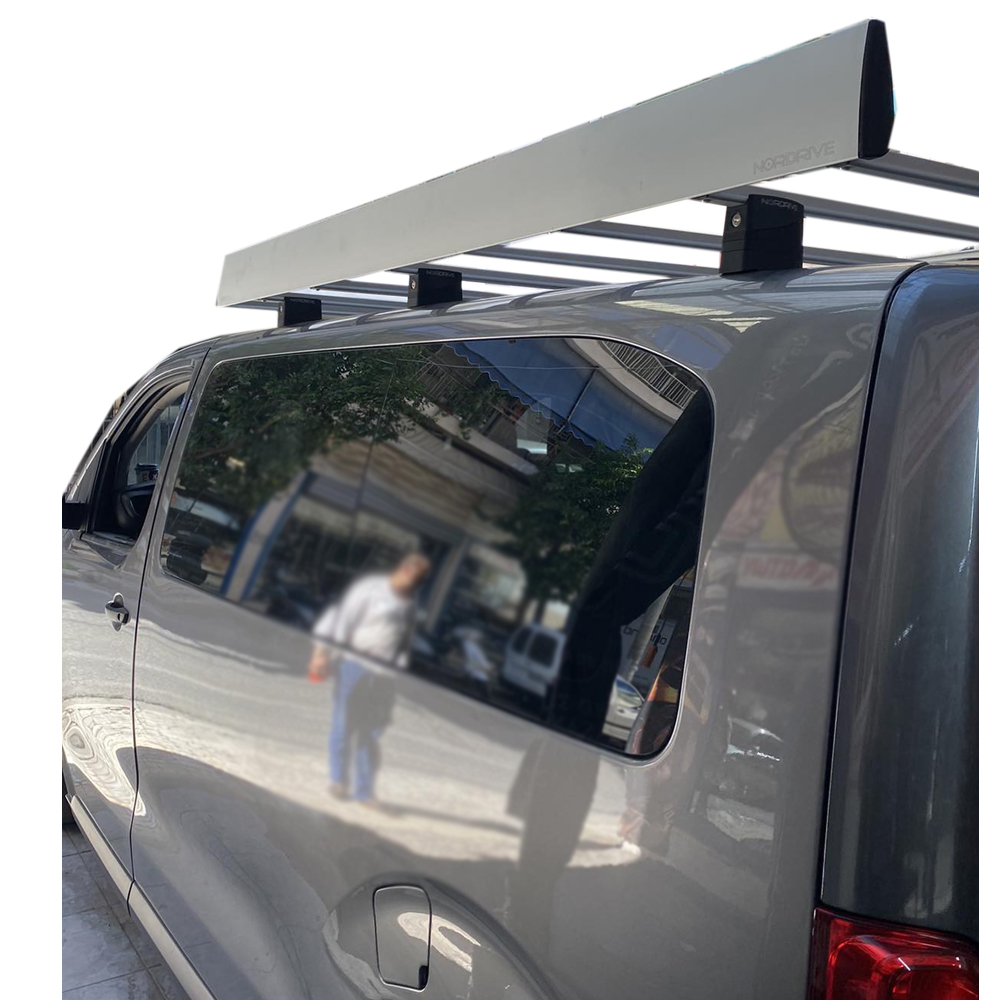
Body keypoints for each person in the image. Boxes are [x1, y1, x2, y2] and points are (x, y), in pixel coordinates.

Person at [311, 553, 431, 807]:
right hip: (354, 666)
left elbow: (400, 641)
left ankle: (364, 792)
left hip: (384, 675)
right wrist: (321, 654)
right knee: (344, 724)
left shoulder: (409, 603)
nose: (415, 583)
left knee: (372, 730)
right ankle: (338, 780)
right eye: (414, 577)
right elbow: (338, 620)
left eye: (420, 580)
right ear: (404, 569)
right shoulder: (371, 589)